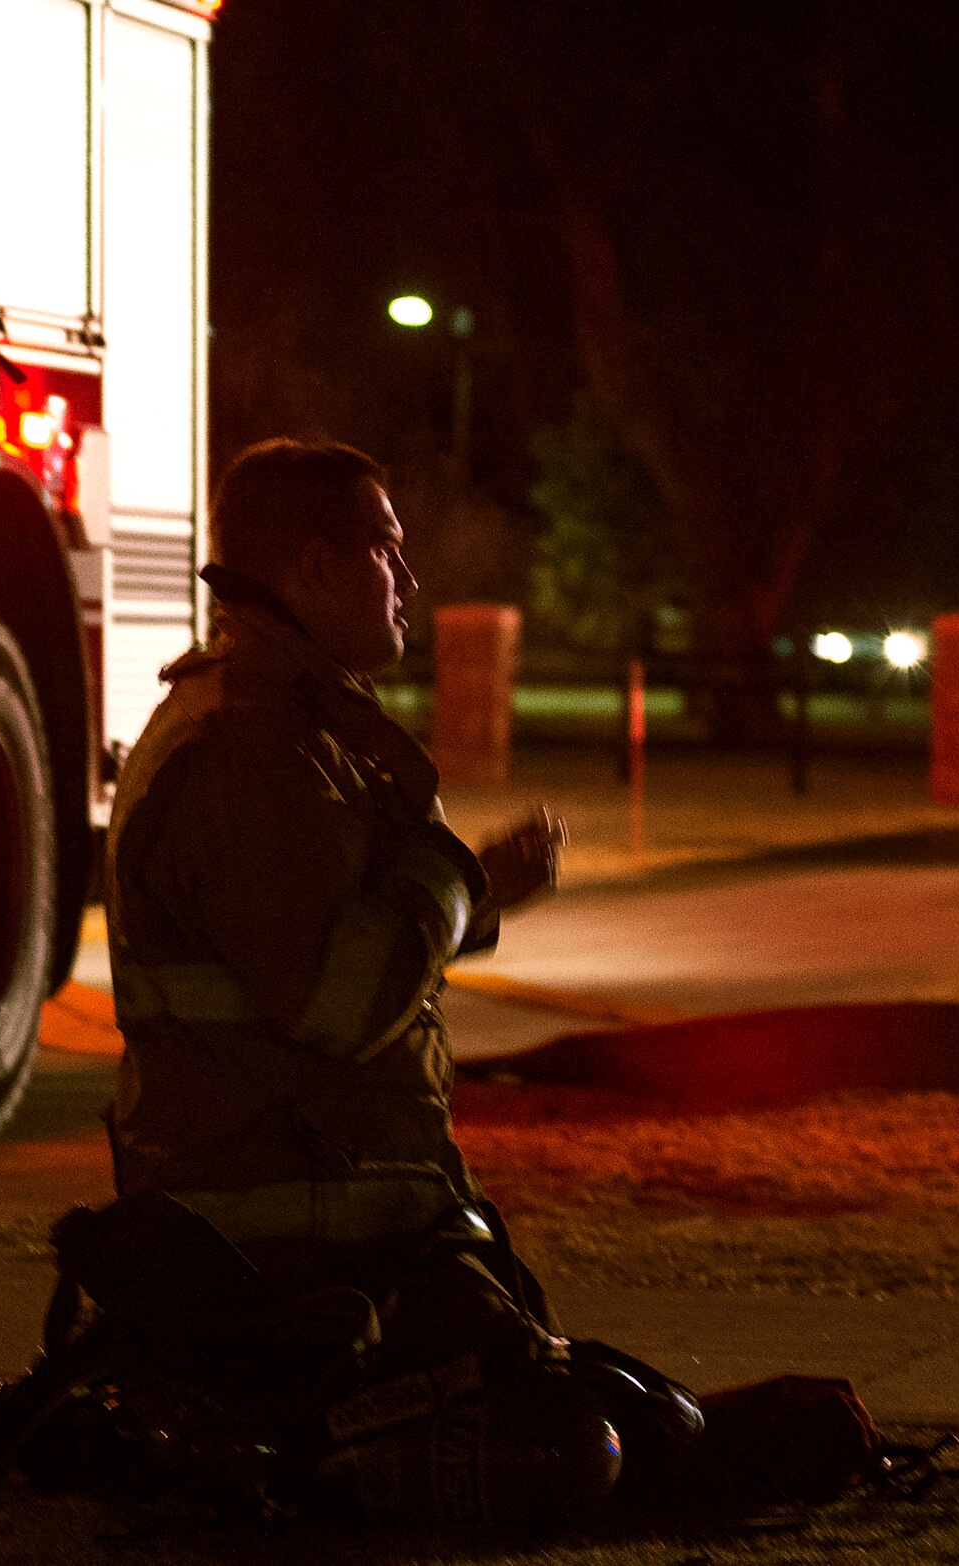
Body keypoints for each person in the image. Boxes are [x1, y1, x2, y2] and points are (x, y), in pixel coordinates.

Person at [92, 438, 621, 1527]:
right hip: (275, 1263)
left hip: (332, 1238)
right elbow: (337, 1007)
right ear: (316, 569)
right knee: (567, 1450)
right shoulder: (254, 750)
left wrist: (467, 901)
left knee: (603, 1418)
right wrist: (459, 875)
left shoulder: (296, 731)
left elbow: (334, 943)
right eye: (386, 549)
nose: (408, 579)